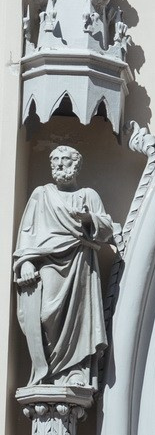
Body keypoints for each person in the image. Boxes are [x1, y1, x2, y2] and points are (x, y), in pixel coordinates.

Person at [13, 145, 114, 388]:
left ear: (76, 165)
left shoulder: (89, 195)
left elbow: (107, 228)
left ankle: (74, 371)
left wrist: (89, 219)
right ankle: (47, 370)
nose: (59, 164)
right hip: (47, 260)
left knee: (79, 318)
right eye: (55, 160)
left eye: (65, 160)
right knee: (47, 313)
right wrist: (25, 261)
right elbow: (27, 231)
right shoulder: (41, 194)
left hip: (79, 261)